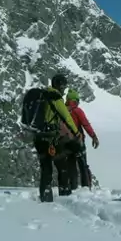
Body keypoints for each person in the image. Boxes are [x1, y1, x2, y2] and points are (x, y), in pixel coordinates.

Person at [33, 73, 83, 202]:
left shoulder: (40, 96)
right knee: (62, 165)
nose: (64, 89)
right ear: (59, 85)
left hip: (38, 137)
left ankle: (45, 195)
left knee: (46, 167)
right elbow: (66, 117)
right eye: (64, 86)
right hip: (51, 138)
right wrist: (76, 133)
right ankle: (64, 193)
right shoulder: (56, 98)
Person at [65, 89, 100, 189]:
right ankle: (86, 187)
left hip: (66, 143)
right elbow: (85, 124)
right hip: (78, 141)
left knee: (71, 166)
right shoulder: (77, 111)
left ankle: (73, 187)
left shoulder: (62, 110)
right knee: (83, 164)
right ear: (75, 100)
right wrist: (94, 136)